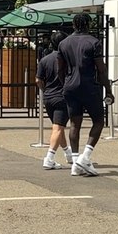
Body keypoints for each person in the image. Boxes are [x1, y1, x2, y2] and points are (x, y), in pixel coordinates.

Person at [59, 12, 110, 176]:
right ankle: (85, 156)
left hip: (70, 86)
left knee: (75, 124)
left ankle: (75, 163)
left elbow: (60, 69)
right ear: (88, 24)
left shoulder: (64, 43)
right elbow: (101, 70)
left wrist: (64, 84)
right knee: (99, 121)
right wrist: (108, 90)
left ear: (74, 24)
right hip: (89, 85)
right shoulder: (94, 42)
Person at [35, 33, 72, 170]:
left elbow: (38, 80)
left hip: (48, 97)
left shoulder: (44, 60)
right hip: (62, 97)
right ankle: (49, 158)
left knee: (58, 126)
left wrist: (45, 90)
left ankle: (68, 154)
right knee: (58, 128)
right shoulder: (68, 60)